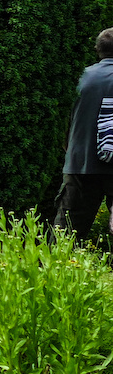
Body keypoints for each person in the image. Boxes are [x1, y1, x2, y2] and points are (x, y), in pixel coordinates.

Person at [55, 26, 113, 242]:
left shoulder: (79, 78)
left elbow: (62, 122)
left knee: (66, 235)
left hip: (82, 163)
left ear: (98, 50)